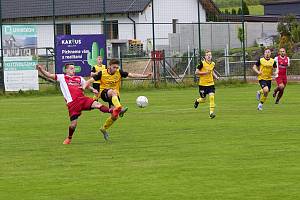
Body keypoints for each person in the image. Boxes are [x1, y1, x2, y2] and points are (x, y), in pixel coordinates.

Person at [36, 63, 123, 144]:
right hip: (73, 103)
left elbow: (87, 84)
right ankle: (69, 138)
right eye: (71, 69)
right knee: (73, 125)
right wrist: (41, 70)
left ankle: (114, 111)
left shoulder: (79, 78)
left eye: (74, 69)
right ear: (66, 70)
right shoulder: (62, 77)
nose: (73, 70)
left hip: (83, 99)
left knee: (97, 104)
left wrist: (93, 89)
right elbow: (49, 75)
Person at [84, 59, 152, 139]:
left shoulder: (119, 72)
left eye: (117, 67)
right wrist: (84, 88)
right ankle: (120, 108)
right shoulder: (102, 73)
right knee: (113, 92)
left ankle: (104, 128)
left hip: (115, 97)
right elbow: (89, 81)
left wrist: (145, 76)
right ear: (109, 66)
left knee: (114, 116)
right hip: (104, 93)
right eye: (114, 67)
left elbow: (132, 75)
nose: (116, 69)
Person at [194, 50, 219, 119]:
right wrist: (205, 73)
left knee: (211, 97)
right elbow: (196, 72)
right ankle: (197, 101)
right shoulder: (201, 63)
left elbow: (212, 71)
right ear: (205, 57)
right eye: (207, 55)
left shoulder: (213, 64)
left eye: (210, 55)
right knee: (203, 99)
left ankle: (211, 113)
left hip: (211, 84)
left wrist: (216, 76)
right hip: (202, 85)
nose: (209, 56)